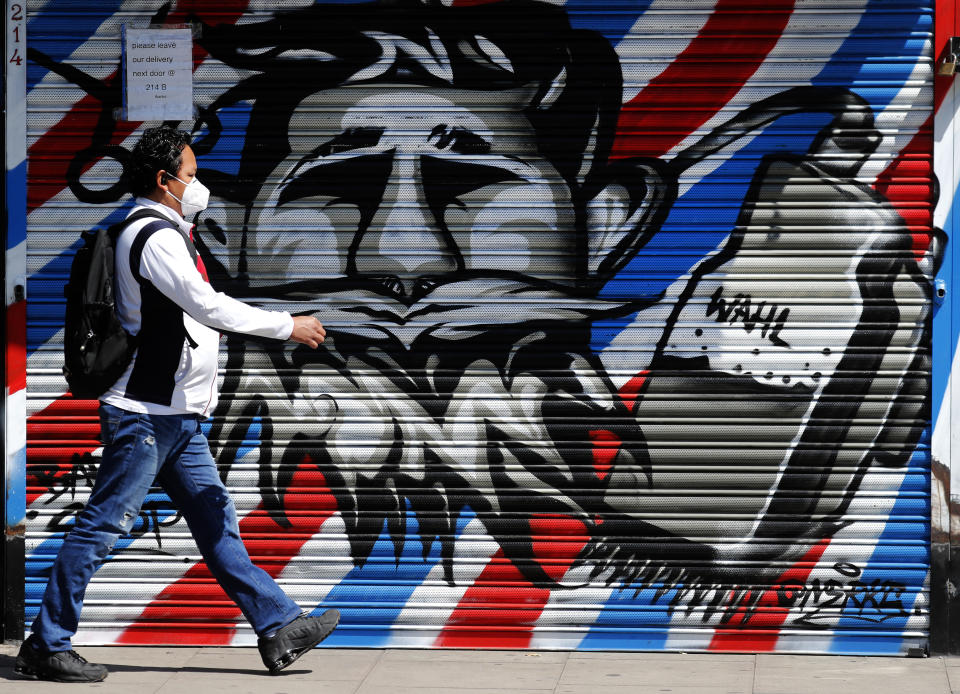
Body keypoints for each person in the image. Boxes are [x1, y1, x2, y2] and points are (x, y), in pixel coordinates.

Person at [16, 125, 339, 683]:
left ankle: (279, 626)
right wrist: (289, 326)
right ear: (164, 181)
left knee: (216, 523)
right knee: (101, 527)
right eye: (190, 175)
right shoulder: (154, 236)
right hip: (144, 415)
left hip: (177, 418)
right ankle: (46, 644)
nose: (198, 185)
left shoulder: (170, 230)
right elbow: (207, 306)